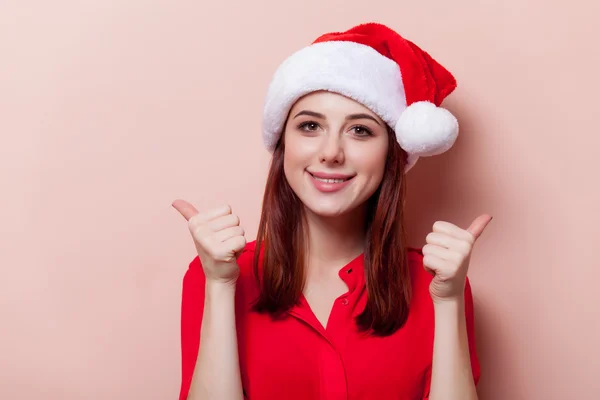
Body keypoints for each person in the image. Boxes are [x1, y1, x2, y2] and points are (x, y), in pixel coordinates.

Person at [172, 22, 492, 400]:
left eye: (360, 131)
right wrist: (221, 286)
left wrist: (450, 300)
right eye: (310, 126)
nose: (330, 152)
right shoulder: (217, 275)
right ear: (282, 144)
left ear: (392, 153)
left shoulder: (436, 285)